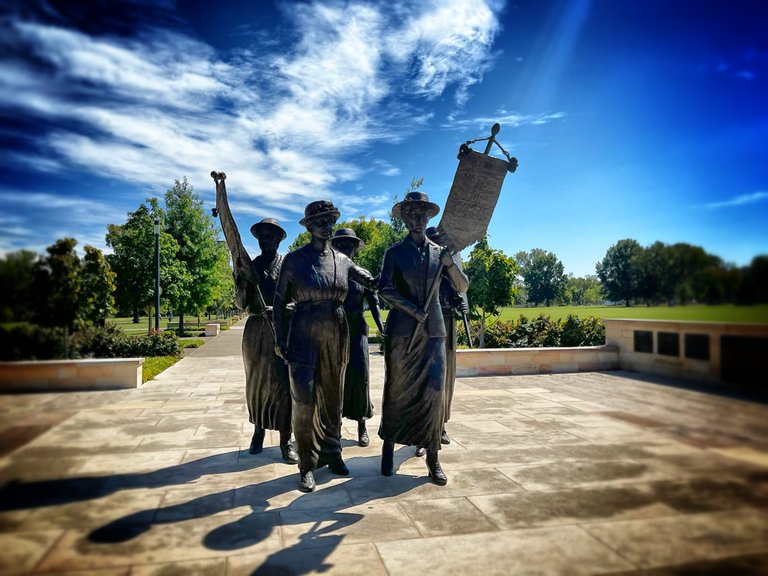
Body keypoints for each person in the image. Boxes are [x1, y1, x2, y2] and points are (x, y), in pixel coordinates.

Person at [273, 200, 377, 493]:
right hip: (304, 331)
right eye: (320, 221)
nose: (326, 226)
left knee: (333, 398)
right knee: (304, 399)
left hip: (337, 331)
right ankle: (306, 464)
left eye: (330, 221)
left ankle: (333, 453)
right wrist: (280, 339)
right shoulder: (294, 260)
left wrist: (381, 280)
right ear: (309, 226)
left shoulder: (342, 260)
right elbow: (280, 301)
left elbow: (367, 279)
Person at [378, 192, 469, 486]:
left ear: (428, 218)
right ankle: (389, 447)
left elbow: (463, 286)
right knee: (397, 390)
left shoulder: (439, 253)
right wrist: (410, 308)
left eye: (422, 215)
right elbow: (384, 289)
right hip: (403, 331)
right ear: (404, 219)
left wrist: (451, 263)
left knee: (433, 391)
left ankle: (433, 457)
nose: (417, 220)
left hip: (434, 331)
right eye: (412, 214)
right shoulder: (394, 252)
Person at [212, 172, 297, 464]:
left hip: (283, 330)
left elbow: (298, 300)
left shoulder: (289, 265)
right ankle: (259, 430)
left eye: (271, 236)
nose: (266, 240)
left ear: (278, 239)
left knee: (285, 384)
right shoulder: (251, 265)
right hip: (257, 331)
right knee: (258, 382)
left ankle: (287, 440)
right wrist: (241, 281)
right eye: (262, 236)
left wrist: (284, 310)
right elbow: (241, 304)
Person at [329, 228, 385, 447]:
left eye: (349, 245)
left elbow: (374, 302)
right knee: (336, 379)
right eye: (341, 245)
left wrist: (381, 326)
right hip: (336, 329)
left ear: (355, 248)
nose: (346, 249)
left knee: (360, 376)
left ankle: (362, 425)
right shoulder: (332, 272)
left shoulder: (362, 273)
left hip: (358, 328)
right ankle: (336, 427)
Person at [426, 226, 469, 448]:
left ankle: (441, 424)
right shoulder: (425, 265)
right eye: (433, 242)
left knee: (447, 380)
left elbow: (462, 286)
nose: (437, 247)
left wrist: (450, 265)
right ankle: (424, 431)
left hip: (448, 323)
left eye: (440, 243)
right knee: (428, 380)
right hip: (428, 326)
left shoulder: (450, 264)